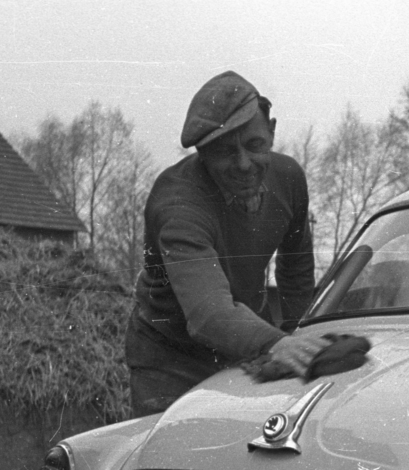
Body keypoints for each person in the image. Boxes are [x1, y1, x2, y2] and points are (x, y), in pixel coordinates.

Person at [125, 71, 330, 416]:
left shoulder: (289, 179)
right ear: (202, 155)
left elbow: (296, 269)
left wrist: (295, 334)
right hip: (171, 359)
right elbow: (208, 314)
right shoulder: (178, 205)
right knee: (169, 453)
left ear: (272, 131)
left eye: (255, 145)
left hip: (245, 344)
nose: (244, 165)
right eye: (224, 153)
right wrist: (276, 343)